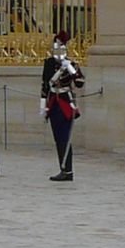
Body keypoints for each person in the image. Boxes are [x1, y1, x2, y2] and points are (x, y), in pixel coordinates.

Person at [41, 30, 85, 181]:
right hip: (53, 102)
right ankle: (63, 167)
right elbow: (45, 85)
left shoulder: (71, 64)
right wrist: (43, 105)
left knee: (65, 138)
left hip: (66, 103)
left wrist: (72, 70)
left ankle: (68, 170)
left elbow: (80, 83)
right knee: (57, 138)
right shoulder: (49, 64)